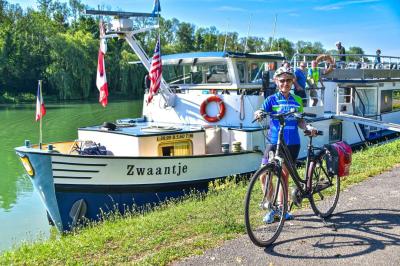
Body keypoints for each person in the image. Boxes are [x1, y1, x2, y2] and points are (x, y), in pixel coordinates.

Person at [254, 67, 317, 223]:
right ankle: (271, 207)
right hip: (274, 142)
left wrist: (307, 127)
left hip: (292, 143)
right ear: (276, 82)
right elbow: (261, 110)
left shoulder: (297, 100)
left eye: (289, 80)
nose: (285, 83)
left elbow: (300, 120)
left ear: (292, 81)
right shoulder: (271, 99)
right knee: (263, 175)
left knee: (284, 176)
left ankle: (282, 210)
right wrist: (258, 113)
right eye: (282, 80)